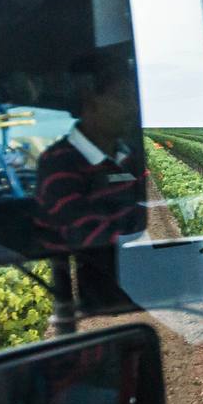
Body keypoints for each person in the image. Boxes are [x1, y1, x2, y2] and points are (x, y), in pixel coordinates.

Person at [34, 51, 147, 253]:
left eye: (134, 98)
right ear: (89, 100)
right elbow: (90, 236)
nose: (134, 108)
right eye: (122, 97)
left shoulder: (130, 158)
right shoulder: (57, 165)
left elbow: (158, 207)